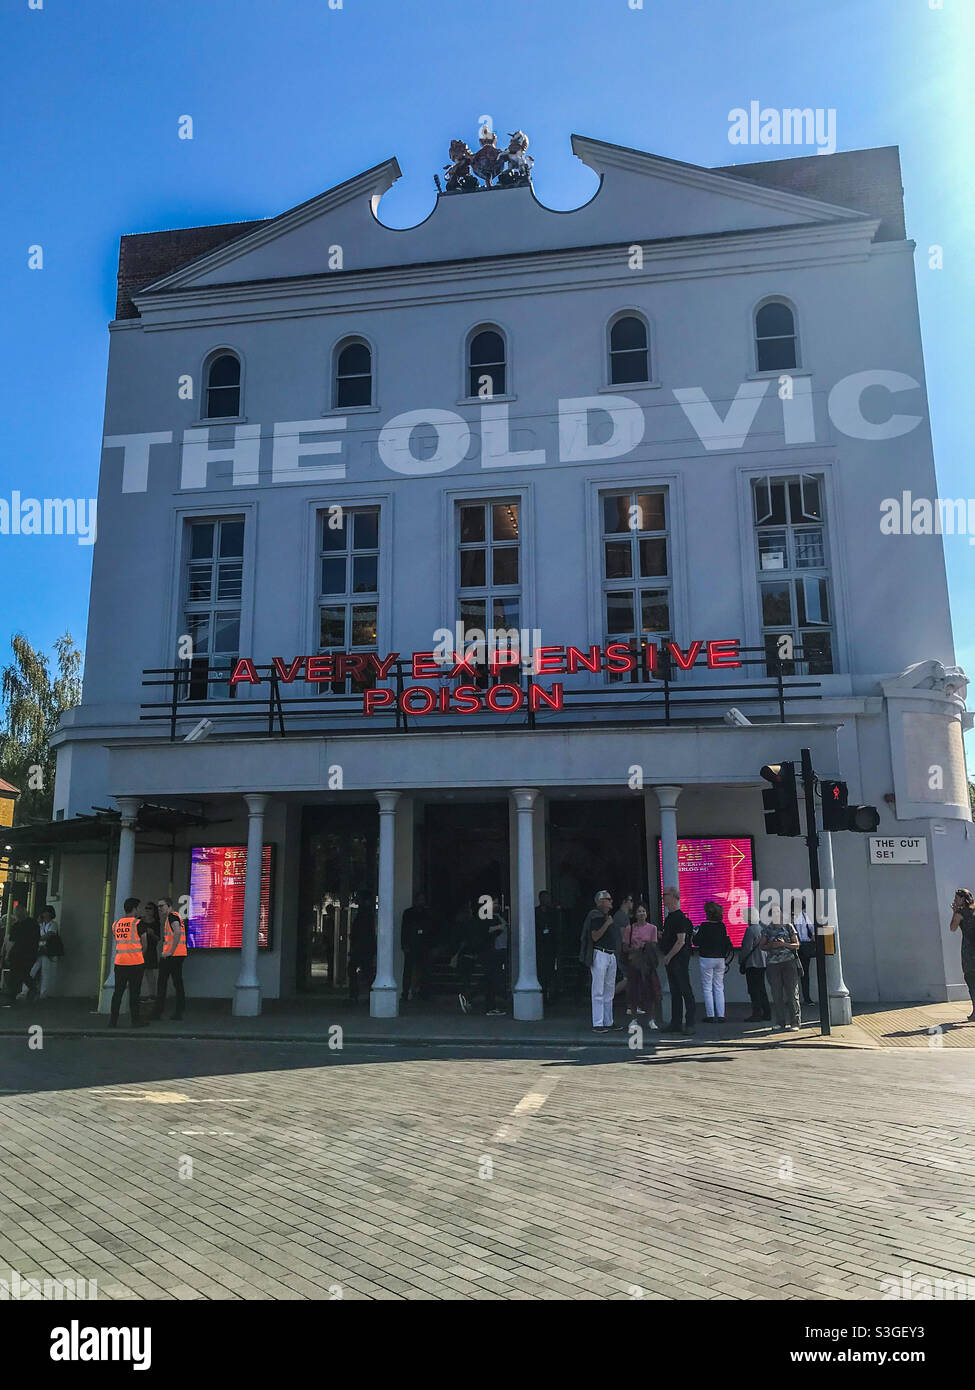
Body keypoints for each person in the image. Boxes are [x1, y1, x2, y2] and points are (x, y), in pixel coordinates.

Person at [582, 890, 620, 1031]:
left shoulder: (605, 916)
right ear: (600, 901)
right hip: (600, 954)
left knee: (609, 990)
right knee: (598, 989)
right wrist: (607, 923)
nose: (611, 902)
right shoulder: (595, 916)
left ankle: (608, 1021)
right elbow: (595, 936)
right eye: (608, 899)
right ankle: (598, 1022)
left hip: (610, 954)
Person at [660, 886, 696, 1034]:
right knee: (675, 990)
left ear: (674, 897)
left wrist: (669, 956)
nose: (663, 897)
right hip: (672, 960)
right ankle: (675, 1022)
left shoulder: (680, 918)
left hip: (679, 960)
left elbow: (681, 941)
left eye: (665, 895)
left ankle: (690, 1023)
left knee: (684, 990)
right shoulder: (669, 919)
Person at [759, 905, 802, 1031]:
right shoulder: (767, 929)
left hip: (789, 963)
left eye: (778, 912)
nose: (776, 915)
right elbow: (762, 946)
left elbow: (797, 945)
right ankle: (780, 1021)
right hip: (773, 964)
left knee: (792, 993)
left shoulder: (788, 926)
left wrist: (784, 944)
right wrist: (772, 945)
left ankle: (795, 1022)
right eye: (773, 913)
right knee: (776, 993)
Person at [109, 897, 148, 1028]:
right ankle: (135, 1021)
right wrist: (140, 954)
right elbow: (145, 944)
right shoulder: (138, 924)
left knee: (118, 992)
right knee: (134, 993)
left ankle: (112, 1021)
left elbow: (117, 940)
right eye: (138, 908)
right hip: (136, 963)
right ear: (135, 908)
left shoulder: (116, 924)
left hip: (120, 963)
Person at [622, 903, 660, 1028]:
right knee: (633, 990)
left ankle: (651, 1019)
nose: (642, 913)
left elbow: (654, 945)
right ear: (635, 914)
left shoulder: (652, 928)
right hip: (634, 962)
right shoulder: (630, 928)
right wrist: (634, 949)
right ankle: (634, 1018)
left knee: (650, 990)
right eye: (639, 911)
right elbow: (625, 946)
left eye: (644, 911)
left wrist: (646, 947)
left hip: (647, 963)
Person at [695, 901, 733, 1023]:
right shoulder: (722, 926)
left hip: (706, 958)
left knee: (707, 987)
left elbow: (696, 942)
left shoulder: (704, 926)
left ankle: (710, 1015)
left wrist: (694, 934)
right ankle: (721, 1015)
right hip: (720, 959)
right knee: (719, 987)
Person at [153, 896, 187, 1020]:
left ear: (169, 906)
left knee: (162, 983)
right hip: (178, 954)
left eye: (161, 906)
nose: (159, 908)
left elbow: (177, 932)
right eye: (158, 906)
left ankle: (158, 1011)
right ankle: (179, 1011)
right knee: (177, 982)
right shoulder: (174, 916)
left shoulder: (172, 916)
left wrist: (170, 952)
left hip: (172, 956)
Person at [1, 906, 40, 1006]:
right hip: (29, 953)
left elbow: (12, 942)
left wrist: (7, 954)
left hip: (18, 953)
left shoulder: (17, 926)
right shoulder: (33, 924)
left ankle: (13, 994)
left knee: (17, 973)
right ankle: (28, 989)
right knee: (22, 973)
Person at [400, 891, 434, 1003]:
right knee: (408, 971)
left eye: (422, 899)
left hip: (424, 946)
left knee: (425, 971)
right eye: (419, 899)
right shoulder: (408, 913)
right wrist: (404, 945)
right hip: (411, 945)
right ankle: (405, 992)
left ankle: (425, 993)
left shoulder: (427, 913)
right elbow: (404, 930)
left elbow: (431, 930)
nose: (421, 902)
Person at [949, 888, 975, 1021]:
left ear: (963, 899)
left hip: (969, 950)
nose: (954, 900)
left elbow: (952, 928)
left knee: (971, 979)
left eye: (957, 898)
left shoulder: (960, 913)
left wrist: (954, 913)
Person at [738, 917, 770, 1022]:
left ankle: (756, 1013)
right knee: (761, 988)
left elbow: (747, 948)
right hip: (763, 962)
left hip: (752, 963)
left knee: (753, 989)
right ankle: (766, 1012)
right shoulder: (763, 928)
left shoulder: (750, 930)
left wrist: (741, 960)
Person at [348, 894, 376, 1003]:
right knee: (366, 972)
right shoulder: (367, 915)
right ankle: (364, 994)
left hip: (362, 948)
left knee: (359, 970)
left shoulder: (363, 916)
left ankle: (355, 994)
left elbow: (361, 933)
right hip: (364, 948)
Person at [482, 899, 508, 1016]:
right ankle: (471, 996)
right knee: (492, 978)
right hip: (492, 951)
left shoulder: (496, 916)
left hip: (498, 950)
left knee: (491, 978)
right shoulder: (487, 918)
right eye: (495, 903)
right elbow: (488, 930)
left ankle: (491, 1005)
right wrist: (499, 927)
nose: (497, 905)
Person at [31, 906, 63, 999]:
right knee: (33, 969)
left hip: (47, 950)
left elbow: (49, 935)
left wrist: (36, 938)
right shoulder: (41, 925)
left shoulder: (53, 924)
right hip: (41, 949)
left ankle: (43, 993)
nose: (44, 914)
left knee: (45, 971)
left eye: (46, 912)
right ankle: (27, 990)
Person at [534, 889, 559, 1005]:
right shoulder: (535, 912)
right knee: (541, 972)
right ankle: (542, 995)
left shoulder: (553, 912)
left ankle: (551, 995)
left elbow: (557, 928)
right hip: (540, 947)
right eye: (545, 898)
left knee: (550, 971)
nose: (547, 900)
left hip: (551, 946)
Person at [792, 904, 816, 1005]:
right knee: (792, 973)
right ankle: (793, 997)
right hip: (794, 947)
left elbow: (812, 929)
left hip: (805, 946)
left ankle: (807, 998)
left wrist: (812, 939)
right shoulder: (789, 918)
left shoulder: (805, 916)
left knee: (805, 973)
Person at [139, 901, 161, 1003]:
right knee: (138, 973)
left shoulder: (156, 923)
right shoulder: (139, 920)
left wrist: (152, 934)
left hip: (150, 949)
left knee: (149, 973)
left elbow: (158, 938)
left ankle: (152, 995)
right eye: (146, 908)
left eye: (150, 908)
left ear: (153, 911)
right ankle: (137, 994)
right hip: (139, 948)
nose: (147, 910)